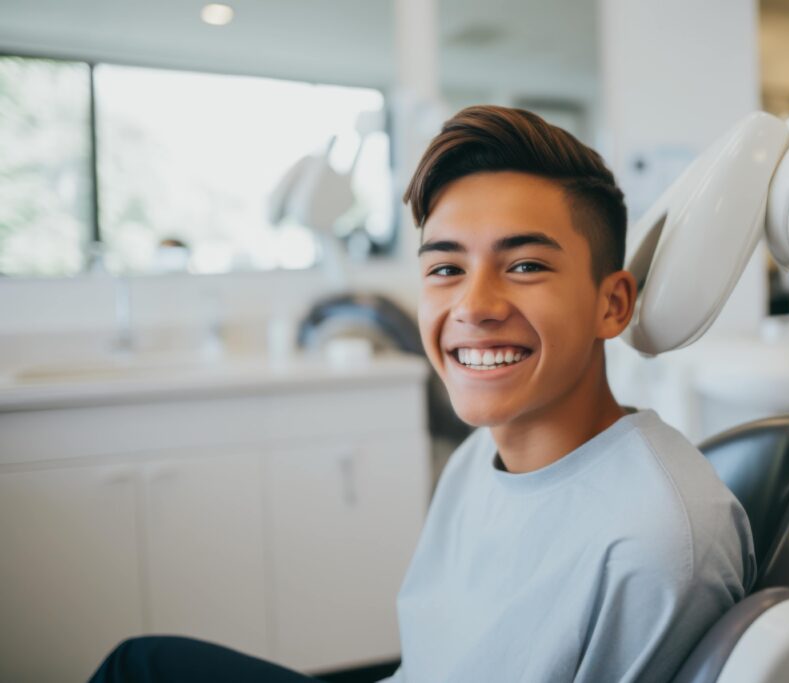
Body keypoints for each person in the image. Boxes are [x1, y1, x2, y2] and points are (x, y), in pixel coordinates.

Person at [89, 105, 755, 683]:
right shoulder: (474, 462)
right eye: (444, 267)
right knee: (139, 664)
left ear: (612, 304)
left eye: (525, 265)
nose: (475, 305)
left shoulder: (656, 543)